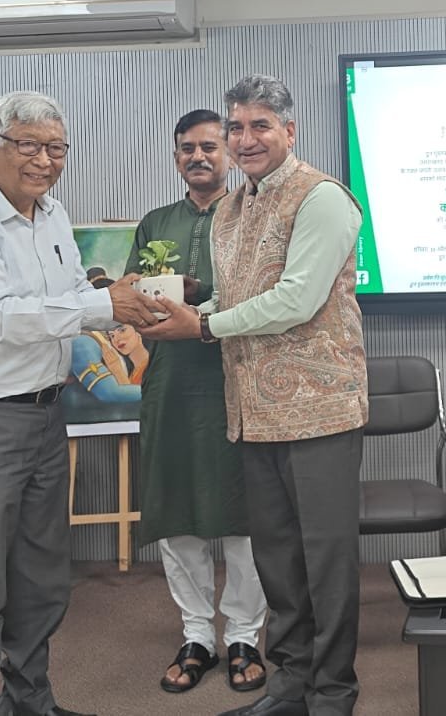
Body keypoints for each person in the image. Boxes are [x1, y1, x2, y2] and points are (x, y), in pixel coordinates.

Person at [0, 90, 158, 716]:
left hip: (47, 417)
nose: (45, 161)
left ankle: (32, 701)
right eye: (29, 145)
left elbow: (73, 294)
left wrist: (123, 297)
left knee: (43, 577)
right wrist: (103, 305)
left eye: (56, 148)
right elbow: (0, 317)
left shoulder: (52, 215)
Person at [141, 75, 367, 716]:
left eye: (260, 126)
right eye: (236, 127)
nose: (245, 139)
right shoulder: (234, 208)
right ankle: (290, 686)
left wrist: (202, 326)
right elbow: (235, 296)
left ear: (289, 131)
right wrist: (186, 310)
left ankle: (334, 694)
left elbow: (297, 299)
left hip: (319, 411)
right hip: (252, 413)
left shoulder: (322, 197)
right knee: (277, 561)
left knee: (325, 563)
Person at [128, 108, 267, 696]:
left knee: (243, 514)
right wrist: (153, 293)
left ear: (229, 153)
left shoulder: (253, 214)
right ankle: (197, 635)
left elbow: (267, 292)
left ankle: (244, 635)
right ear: (176, 157)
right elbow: (131, 297)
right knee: (176, 507)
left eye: (210, 146)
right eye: (187, 148)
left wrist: (201, 295)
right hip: (169, 381)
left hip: (237, 378)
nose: (199, 156)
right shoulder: (156, 222)